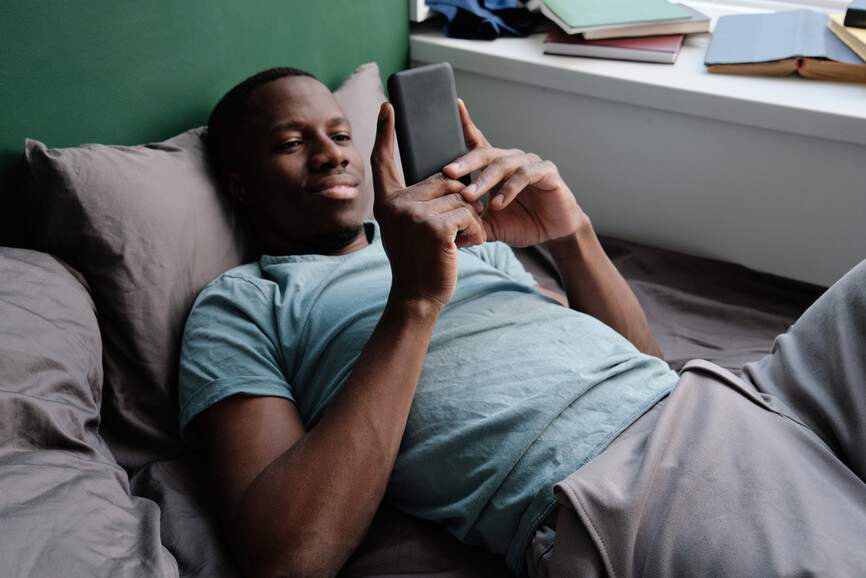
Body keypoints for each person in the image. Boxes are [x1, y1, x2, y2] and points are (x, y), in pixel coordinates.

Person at [178, 67, 866, 577]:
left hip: (733, 400)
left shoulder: (462, 237)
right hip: (612, 488)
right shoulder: (242, 302)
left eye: (337, 134)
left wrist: (572, 236)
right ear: (241, 184)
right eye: (292, 143)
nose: (331, 153)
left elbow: (644, 366)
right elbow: (287, 555)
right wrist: (414, 301)